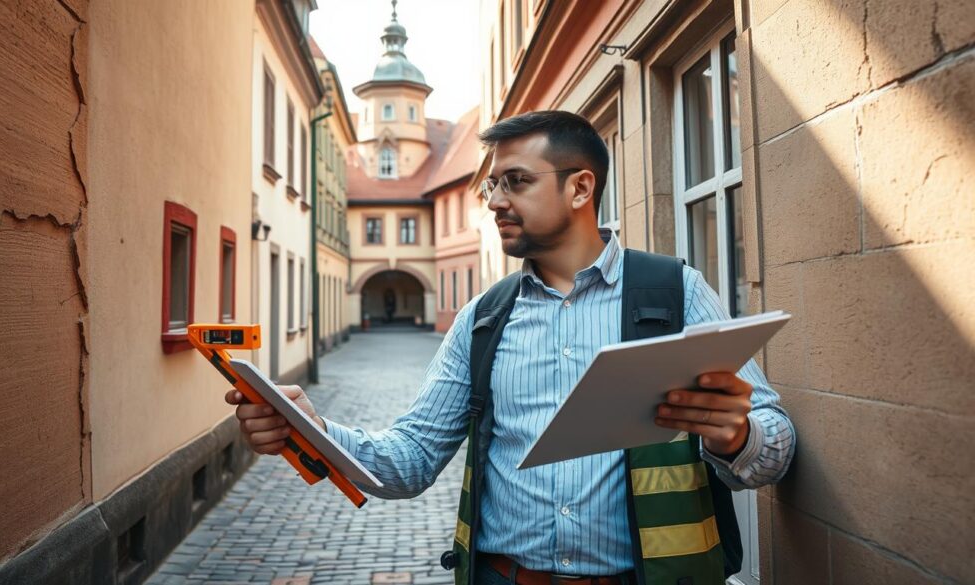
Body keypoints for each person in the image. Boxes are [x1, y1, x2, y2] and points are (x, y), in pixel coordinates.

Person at [226, 111, 795, 585]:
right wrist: (313, 430)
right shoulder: (483, 319)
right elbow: (410, 460)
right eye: (491, 185)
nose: (495, 201)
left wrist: (737, 436)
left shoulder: (675, 292)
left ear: (580, 187)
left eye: (516, 181)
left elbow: (778, 446)